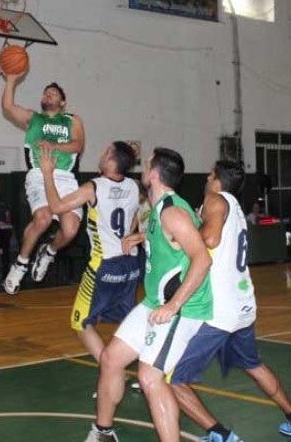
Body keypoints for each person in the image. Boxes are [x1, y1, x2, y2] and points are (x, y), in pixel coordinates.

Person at [170, 161, 291, 441]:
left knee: (172, 378)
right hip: (243, 303)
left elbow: (210, 239)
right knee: (253, 364)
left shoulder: (214, 200)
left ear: (217, 181)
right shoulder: (234, 207)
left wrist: (181, 238)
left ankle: (220, 434)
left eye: (210, 174)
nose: (207, 178)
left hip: (220, 311)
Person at [86, 147, 212, 442]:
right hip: (155, 302)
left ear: (154, 174)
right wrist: (142, 237)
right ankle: (103, 433)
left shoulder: (172, 212)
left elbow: (202, 259)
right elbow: (173, 240)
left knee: (149, 377)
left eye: (148, 164)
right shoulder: (158, 210)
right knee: (110, 359)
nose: (143, 167)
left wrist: (173, 305)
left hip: (182, 307)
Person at [38, 141, 140, 364]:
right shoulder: (134, 185)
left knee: (80, 322)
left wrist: (47, 173)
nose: (102, 153)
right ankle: (150, 369)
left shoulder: (93, 187)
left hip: (104, 265)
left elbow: (56, 207)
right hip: (131, 264)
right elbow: (134, 217)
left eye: (106, 150)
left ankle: (111, 371)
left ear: (112, 159)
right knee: (130, 320)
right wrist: (128, 236)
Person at [1, 76, 85, 295]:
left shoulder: (72, 119)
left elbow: (78, 145)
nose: (48, 95)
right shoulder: (33, 118)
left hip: (65, 178)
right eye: (46, 92)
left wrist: (53, 144)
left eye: (53, 93)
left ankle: (49, 251)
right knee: (43, 218)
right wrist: (10, 79)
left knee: (70, 230)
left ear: (63, 102)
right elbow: (8, 107)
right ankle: (20, 264)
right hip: (39, 174)